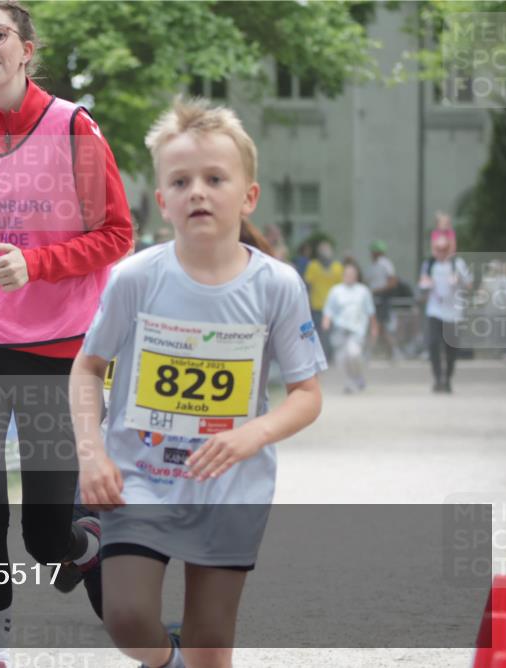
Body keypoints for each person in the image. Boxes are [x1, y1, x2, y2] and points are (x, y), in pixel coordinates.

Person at [70, 96, 325, 668]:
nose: (198, 192)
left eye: (215, 178)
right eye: (181, 181)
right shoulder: (136, 278)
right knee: (128, 617)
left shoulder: (277, 287)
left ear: (248, 195)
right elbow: (87, 368)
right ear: (163, 201)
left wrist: (252, 435)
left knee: (212, 652)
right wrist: (92, 455)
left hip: (229, 486)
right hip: (141, 477)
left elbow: (307, 395)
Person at [0, 2, 132, 666]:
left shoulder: (73, 127)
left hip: (56, 353)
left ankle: (81, 544)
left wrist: (37, 264)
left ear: (26, 49)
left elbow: (117, 236)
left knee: (43, 537)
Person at [419, 232, 471, 393]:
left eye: (444, 249)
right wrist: (426, 285)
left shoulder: (458, 264)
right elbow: (422, 284)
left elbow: (469, 285)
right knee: (433, 344)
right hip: (435, 310)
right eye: (438, 249)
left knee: (451, 348)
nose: (441, 252)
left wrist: (459, 280)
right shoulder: (429, 264)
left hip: (453, 312)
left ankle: (447, 378)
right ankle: (437, 377)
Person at [322, 260, 378, 393]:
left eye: (352, 274)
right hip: (340, 328)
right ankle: (349, 382)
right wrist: (326, 321)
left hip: (357, 329)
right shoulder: (336, 291)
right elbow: (329, 309)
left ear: (356, 276)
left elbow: (370, 311)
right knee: (342, 358)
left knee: (354, 354)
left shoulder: (363, 291)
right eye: (347, 274)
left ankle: (358, 376)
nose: (349, 276)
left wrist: (374, 327)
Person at [304, 239, 342, 363]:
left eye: (327, 250)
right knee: (319, 333)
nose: (325, 253)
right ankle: (320, 357)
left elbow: (341, 288)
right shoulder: (313, 266)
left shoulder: (337, 267)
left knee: (331, 333)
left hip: (333, 308)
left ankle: (330, 356)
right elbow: (307, 285)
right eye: (322, 251)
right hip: (317, 305)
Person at [367, 240, 400, 359]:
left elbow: (392, 282)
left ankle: (390, 351)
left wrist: (377, 290)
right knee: (378, 327)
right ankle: (390, 351)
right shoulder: (372, 265)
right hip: (374, 298)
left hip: (382, 298)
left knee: (380, 326)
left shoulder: (385, 264)